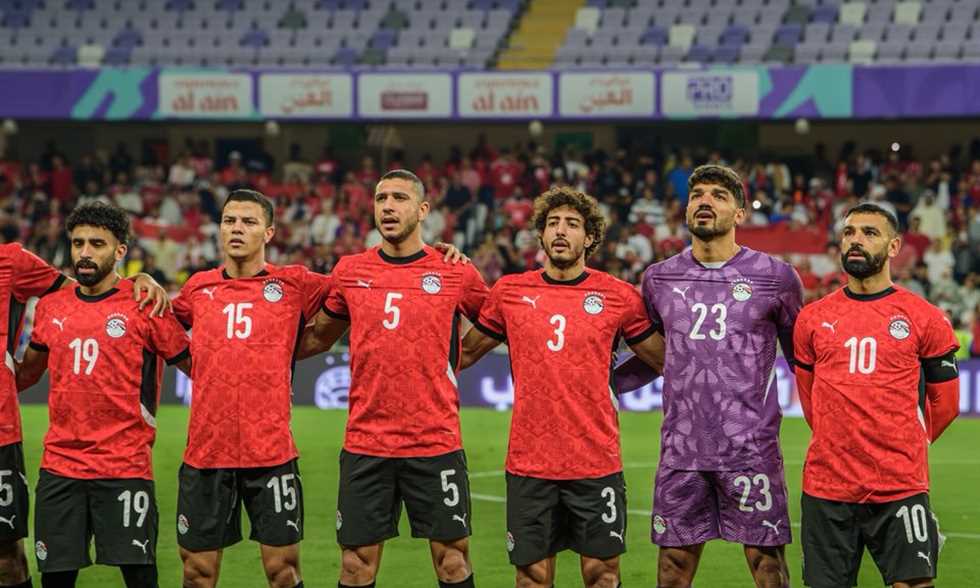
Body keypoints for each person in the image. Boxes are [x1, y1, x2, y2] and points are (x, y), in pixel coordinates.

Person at [458, 187, 665, 588]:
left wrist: (616, 382)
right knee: (531, 577)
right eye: (552, 223)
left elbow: (664, 360)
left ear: (589, 237)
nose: (560, 231)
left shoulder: (618, 296)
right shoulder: (509, 292)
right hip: (530, 463)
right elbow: (463, 354)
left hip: (596, 461)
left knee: (602, 575)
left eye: (572, 224)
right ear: (540, 234)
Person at [619, 164, 803, 587]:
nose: (705, 201)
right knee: (672, 571)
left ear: (739, 213)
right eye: (697, 194)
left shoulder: (776, 278)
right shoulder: (658, 278)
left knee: (769, 568)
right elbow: (653, 354)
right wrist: (605, 382)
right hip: (681, 450)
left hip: (750, 450)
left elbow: (802, 360)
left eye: (719, 195)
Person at [305, 169, 488, 588]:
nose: (388, 206)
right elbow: (319, 336)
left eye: (399, 198)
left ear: (422, 210)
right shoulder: (350, 271)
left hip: (435, 441)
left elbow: (498, 321)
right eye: (381, 198)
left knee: (453, 562)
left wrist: (460, 356)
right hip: (366, 443)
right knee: (355, 566)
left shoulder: (454, 271)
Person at [16, 202, 191, 588]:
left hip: (124, 466)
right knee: (56, 580)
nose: (84, 252)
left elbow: (196, 367)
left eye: (97, 244)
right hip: (60, 467)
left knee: (140, 578)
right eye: (78, 243)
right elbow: (27, 373)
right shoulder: (51, 307)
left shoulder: (145, 304)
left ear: (120, 250)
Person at [793, 203, 960, 588]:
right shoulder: (812, 318)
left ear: (894, 246)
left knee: (914, 584)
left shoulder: (925, 317)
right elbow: (810, 400)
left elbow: (946, 405)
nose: (856, 240)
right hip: (826, 486)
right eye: (849, 232)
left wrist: (905, 445)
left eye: (869, 233)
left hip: (900, 485)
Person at [171, 190, 332, 588]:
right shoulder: (198, 288)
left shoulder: (294, 282)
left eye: (248, 222)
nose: (237, 229)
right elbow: (161, 328)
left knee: (283, 572)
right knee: (196, 573)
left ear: (269, 232)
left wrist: (434, 256)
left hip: (271, 452)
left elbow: (355, 291)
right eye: (229, 221)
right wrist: (143, 281)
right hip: (207, 453)